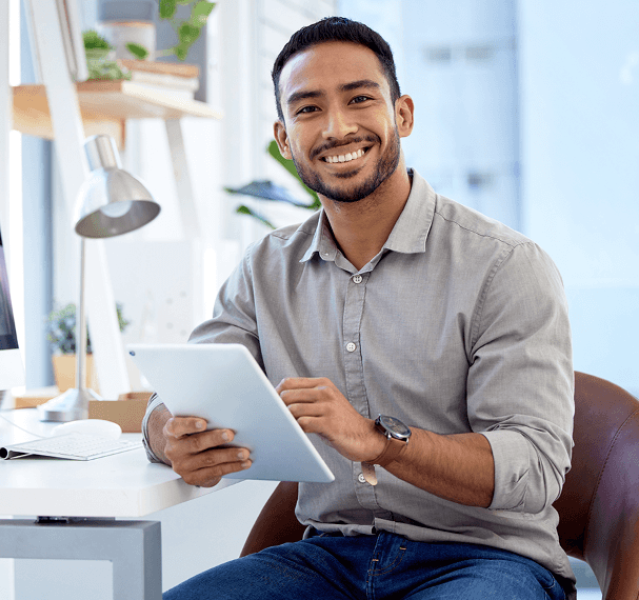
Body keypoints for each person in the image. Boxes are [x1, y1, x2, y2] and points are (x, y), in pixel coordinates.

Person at [142, 16, 575, 600]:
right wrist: (169, 431)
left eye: (360, 99)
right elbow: (179, 393)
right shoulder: (265, 269)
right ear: (284, 137)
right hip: (330, 557)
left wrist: (378, 440)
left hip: (486, 559)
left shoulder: (504, 265)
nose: (337, 128)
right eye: (308, 109)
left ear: (403, 115)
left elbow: (535, 470)